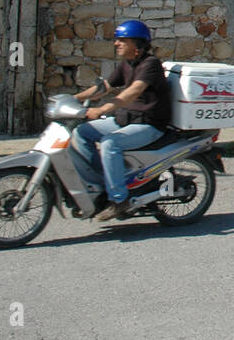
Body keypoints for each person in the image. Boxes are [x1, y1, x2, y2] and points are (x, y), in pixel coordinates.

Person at [70, 20, 172, 221]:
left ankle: (119, 200)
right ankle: (102, 184)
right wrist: (73, 99)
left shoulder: (150, 65)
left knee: (110, 143)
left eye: (122, 40)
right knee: (80, 134)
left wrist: (103, 109)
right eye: (117, 40)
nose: (116, 43)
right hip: (126, 120)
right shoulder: (127, 64)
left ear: (137, 44)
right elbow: (104, 87)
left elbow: (133, 91)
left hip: (148, 124)